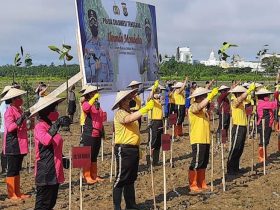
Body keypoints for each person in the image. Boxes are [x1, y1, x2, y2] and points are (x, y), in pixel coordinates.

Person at [112, 88, 154, 210]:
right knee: (121, 178)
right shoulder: (120, 113)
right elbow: (128, 120)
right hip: (123, 149)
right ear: (121, 102)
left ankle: (131, 204)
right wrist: (145, 109)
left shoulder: (130, 112)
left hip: (133, 150)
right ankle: (117, 206)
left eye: (130, 98)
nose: (130, 101)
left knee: (130, 178)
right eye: (127, 99)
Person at [31, 96, 71, 210]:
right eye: (53, 110)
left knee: (50, 203)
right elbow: (46, 140)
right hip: (46, 171)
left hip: (54, 169)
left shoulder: (49, 125)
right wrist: (57, 124)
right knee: (43, 204)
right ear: (46, 111)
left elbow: (54, 146)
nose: (56, 112)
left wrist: (63, 158)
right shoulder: (40, 126)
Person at [1, 88, 31, 199]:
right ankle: (11, 193)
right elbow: (10, 127)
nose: (21, 99)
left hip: (20, 143)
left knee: (17, 169)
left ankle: (17, 192)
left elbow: (22, 127)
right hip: (13, 144)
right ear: (13, 100)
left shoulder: (19, 110)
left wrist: (28, 120)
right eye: (19, 98)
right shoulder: (9, 111)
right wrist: (22, 117)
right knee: (12, 169)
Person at [188, 87, 218, 193]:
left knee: (204, 162)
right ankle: (193, 184)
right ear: (199, 97)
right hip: (197, 138)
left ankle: (202, 182)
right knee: (197, 162)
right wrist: (210, 96)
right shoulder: (193, 107)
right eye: (204, 96)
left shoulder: (204, 111)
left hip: (205, 139)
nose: (206, 98)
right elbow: (198, 107)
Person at [227, 84, 256, 175]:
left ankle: (236, 168)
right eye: (240, 93)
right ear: (236, 94)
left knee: (240, 148)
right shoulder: (234, 101)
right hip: (238, 126)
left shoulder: (242, 102)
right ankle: (230, 169)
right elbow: (240, 99)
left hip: (243, 127)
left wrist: (252, 92)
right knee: (235, 148)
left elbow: (250, 99)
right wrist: (248, 91)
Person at [80, 85, 104, 184]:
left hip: (98, 132)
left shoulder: (96, 104)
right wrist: (93, 99)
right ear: (90, 94)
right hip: (89, 132)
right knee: (88, 155)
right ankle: (87, 175)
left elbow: (100, 118)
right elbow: (85, 109)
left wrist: (102, 131)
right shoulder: (86, 103)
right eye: (94, 92)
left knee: (94, 155)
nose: (96, 93)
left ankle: (94, 174)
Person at [84, 9, 113, 83]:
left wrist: (109, 84)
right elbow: (85, 71)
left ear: (98, 23)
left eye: (95, 22)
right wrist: (94, 68)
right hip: (94, 88)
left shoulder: (105, 43)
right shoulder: (87, 46)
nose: (93, 25)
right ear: (89, 25)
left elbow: (111, 69)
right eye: (91, 23)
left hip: (106, 88)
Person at [255, 88, 277, 163]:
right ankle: (262, 157)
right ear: (263, 96)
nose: (268, 97)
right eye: (267, 95)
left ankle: (264, 156)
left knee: (265, 141)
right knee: (263, 140)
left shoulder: (263, 102)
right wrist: (276, 97)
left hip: (267, 123)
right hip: (264, 124)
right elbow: (274, 105)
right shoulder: (262, 103)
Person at [147, 81, 165, 165]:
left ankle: (156, 160)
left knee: (159, 142)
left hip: (160, 121)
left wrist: (161, 100)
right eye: (157, 91)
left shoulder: (160, 100)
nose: (159, 93)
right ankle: (150, 159)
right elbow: (150, 96)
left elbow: (163, 105)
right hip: (153, 122)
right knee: (153, 141)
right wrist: (154, 89)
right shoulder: (150, 100)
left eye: (159, 91)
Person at [0, 86, 12, 174]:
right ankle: (4, 168)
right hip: (5, 129)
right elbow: (6, 119)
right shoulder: (4, 105)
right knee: (5, 148)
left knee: (8, 148)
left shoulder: (9, 104)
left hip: (9, 129)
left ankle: (8, 166)